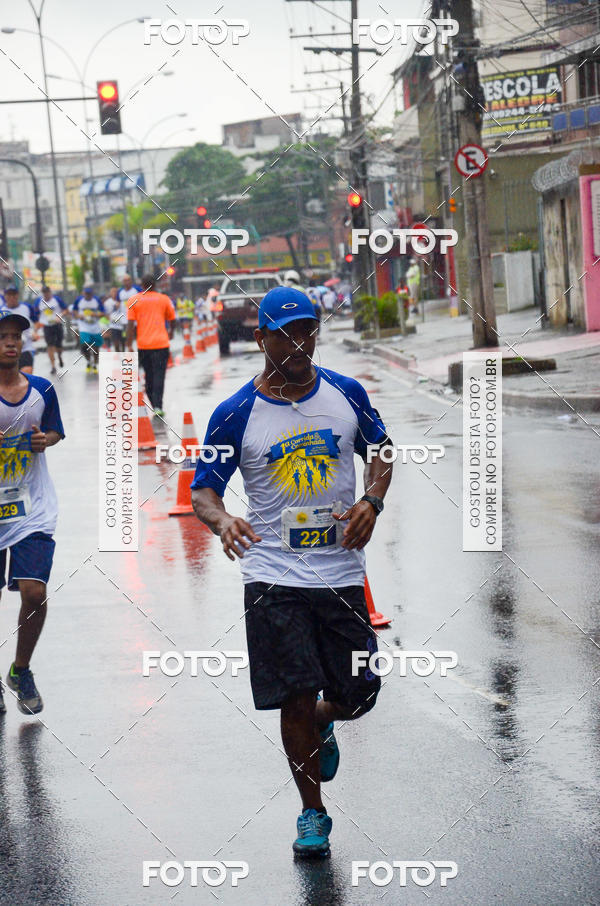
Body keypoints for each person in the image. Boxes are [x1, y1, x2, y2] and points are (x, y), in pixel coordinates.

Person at [191, 286, 392, 858]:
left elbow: (382, 451)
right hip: (272, 576)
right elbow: (202, 491)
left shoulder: (347, 393)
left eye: (307, 330)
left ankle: (329, 718)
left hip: (340, 572)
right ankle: (312, 812)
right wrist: (223, 520)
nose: (300, 342)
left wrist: (371, 501)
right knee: (295, 697)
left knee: (359, 692)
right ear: (261, 339)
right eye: (285, 333)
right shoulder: (234, 414)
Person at [0, 309, 65, 716]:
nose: (11, 342)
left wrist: (47, 439)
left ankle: (20, 669)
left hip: (32, 507)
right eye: (3, 336)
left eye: (16, 336)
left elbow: (56, 429)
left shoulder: (41, 389)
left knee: (35, 592)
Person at [126, 273, 176, 418]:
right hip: (161, 344)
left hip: (144, 346)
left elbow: (130, 325)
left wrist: (129, 344)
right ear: (155, 285)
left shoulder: (133, 300)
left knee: (148, 376)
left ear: (142, 285)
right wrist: (171, 331)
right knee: (159, 375)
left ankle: (155, 405)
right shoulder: (164, 299)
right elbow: (173, 319)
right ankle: (158, 406)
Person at [0, 286, 37, 374]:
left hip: (25, 348)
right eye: (9, 295)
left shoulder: (27, 307)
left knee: (26, 373)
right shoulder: (1, 309)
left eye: (14, 294)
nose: (12, 297)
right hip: (3, 351)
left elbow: (36, 322)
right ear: (5, 296)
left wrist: (35, 332)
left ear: (18, 295)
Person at [71, 286, 105, 373]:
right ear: (83, 293)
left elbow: (103, 312)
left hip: (95, 327)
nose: (87, 295)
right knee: (84, 345)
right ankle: (89, 361)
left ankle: (95, 364)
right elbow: (74, 311)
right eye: (86, 293)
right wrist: (79, 316)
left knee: (96, 348)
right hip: (84, 326)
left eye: (89, 294)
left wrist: (95, 314)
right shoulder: (79, 300)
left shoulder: (96, 300)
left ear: (92, 294)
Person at [35, 285, 67, 374]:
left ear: (50, 292)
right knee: (50, 345)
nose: (46, 294)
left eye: (47, 292)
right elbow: (36, 313)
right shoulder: (38, 301)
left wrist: (60, 316)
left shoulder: (57, 299)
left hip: (57, 324)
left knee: (58, 345)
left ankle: (59, 356)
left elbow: (66, 310)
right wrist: (38, 323)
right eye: (44, 292)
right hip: (47, 326)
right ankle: (53, 366)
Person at [104, 287, 127, 352]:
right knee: (116, 343)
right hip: (113, 326)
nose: (115, 293)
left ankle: (123, 354)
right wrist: (111, 319)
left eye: (116, 292)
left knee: (123, 342)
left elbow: (126, 311)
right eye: (113, 292)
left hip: (122, 325)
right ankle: (118, 354)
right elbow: (105, 314)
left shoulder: (122, 301)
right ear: (110, 293)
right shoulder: (107, 303)